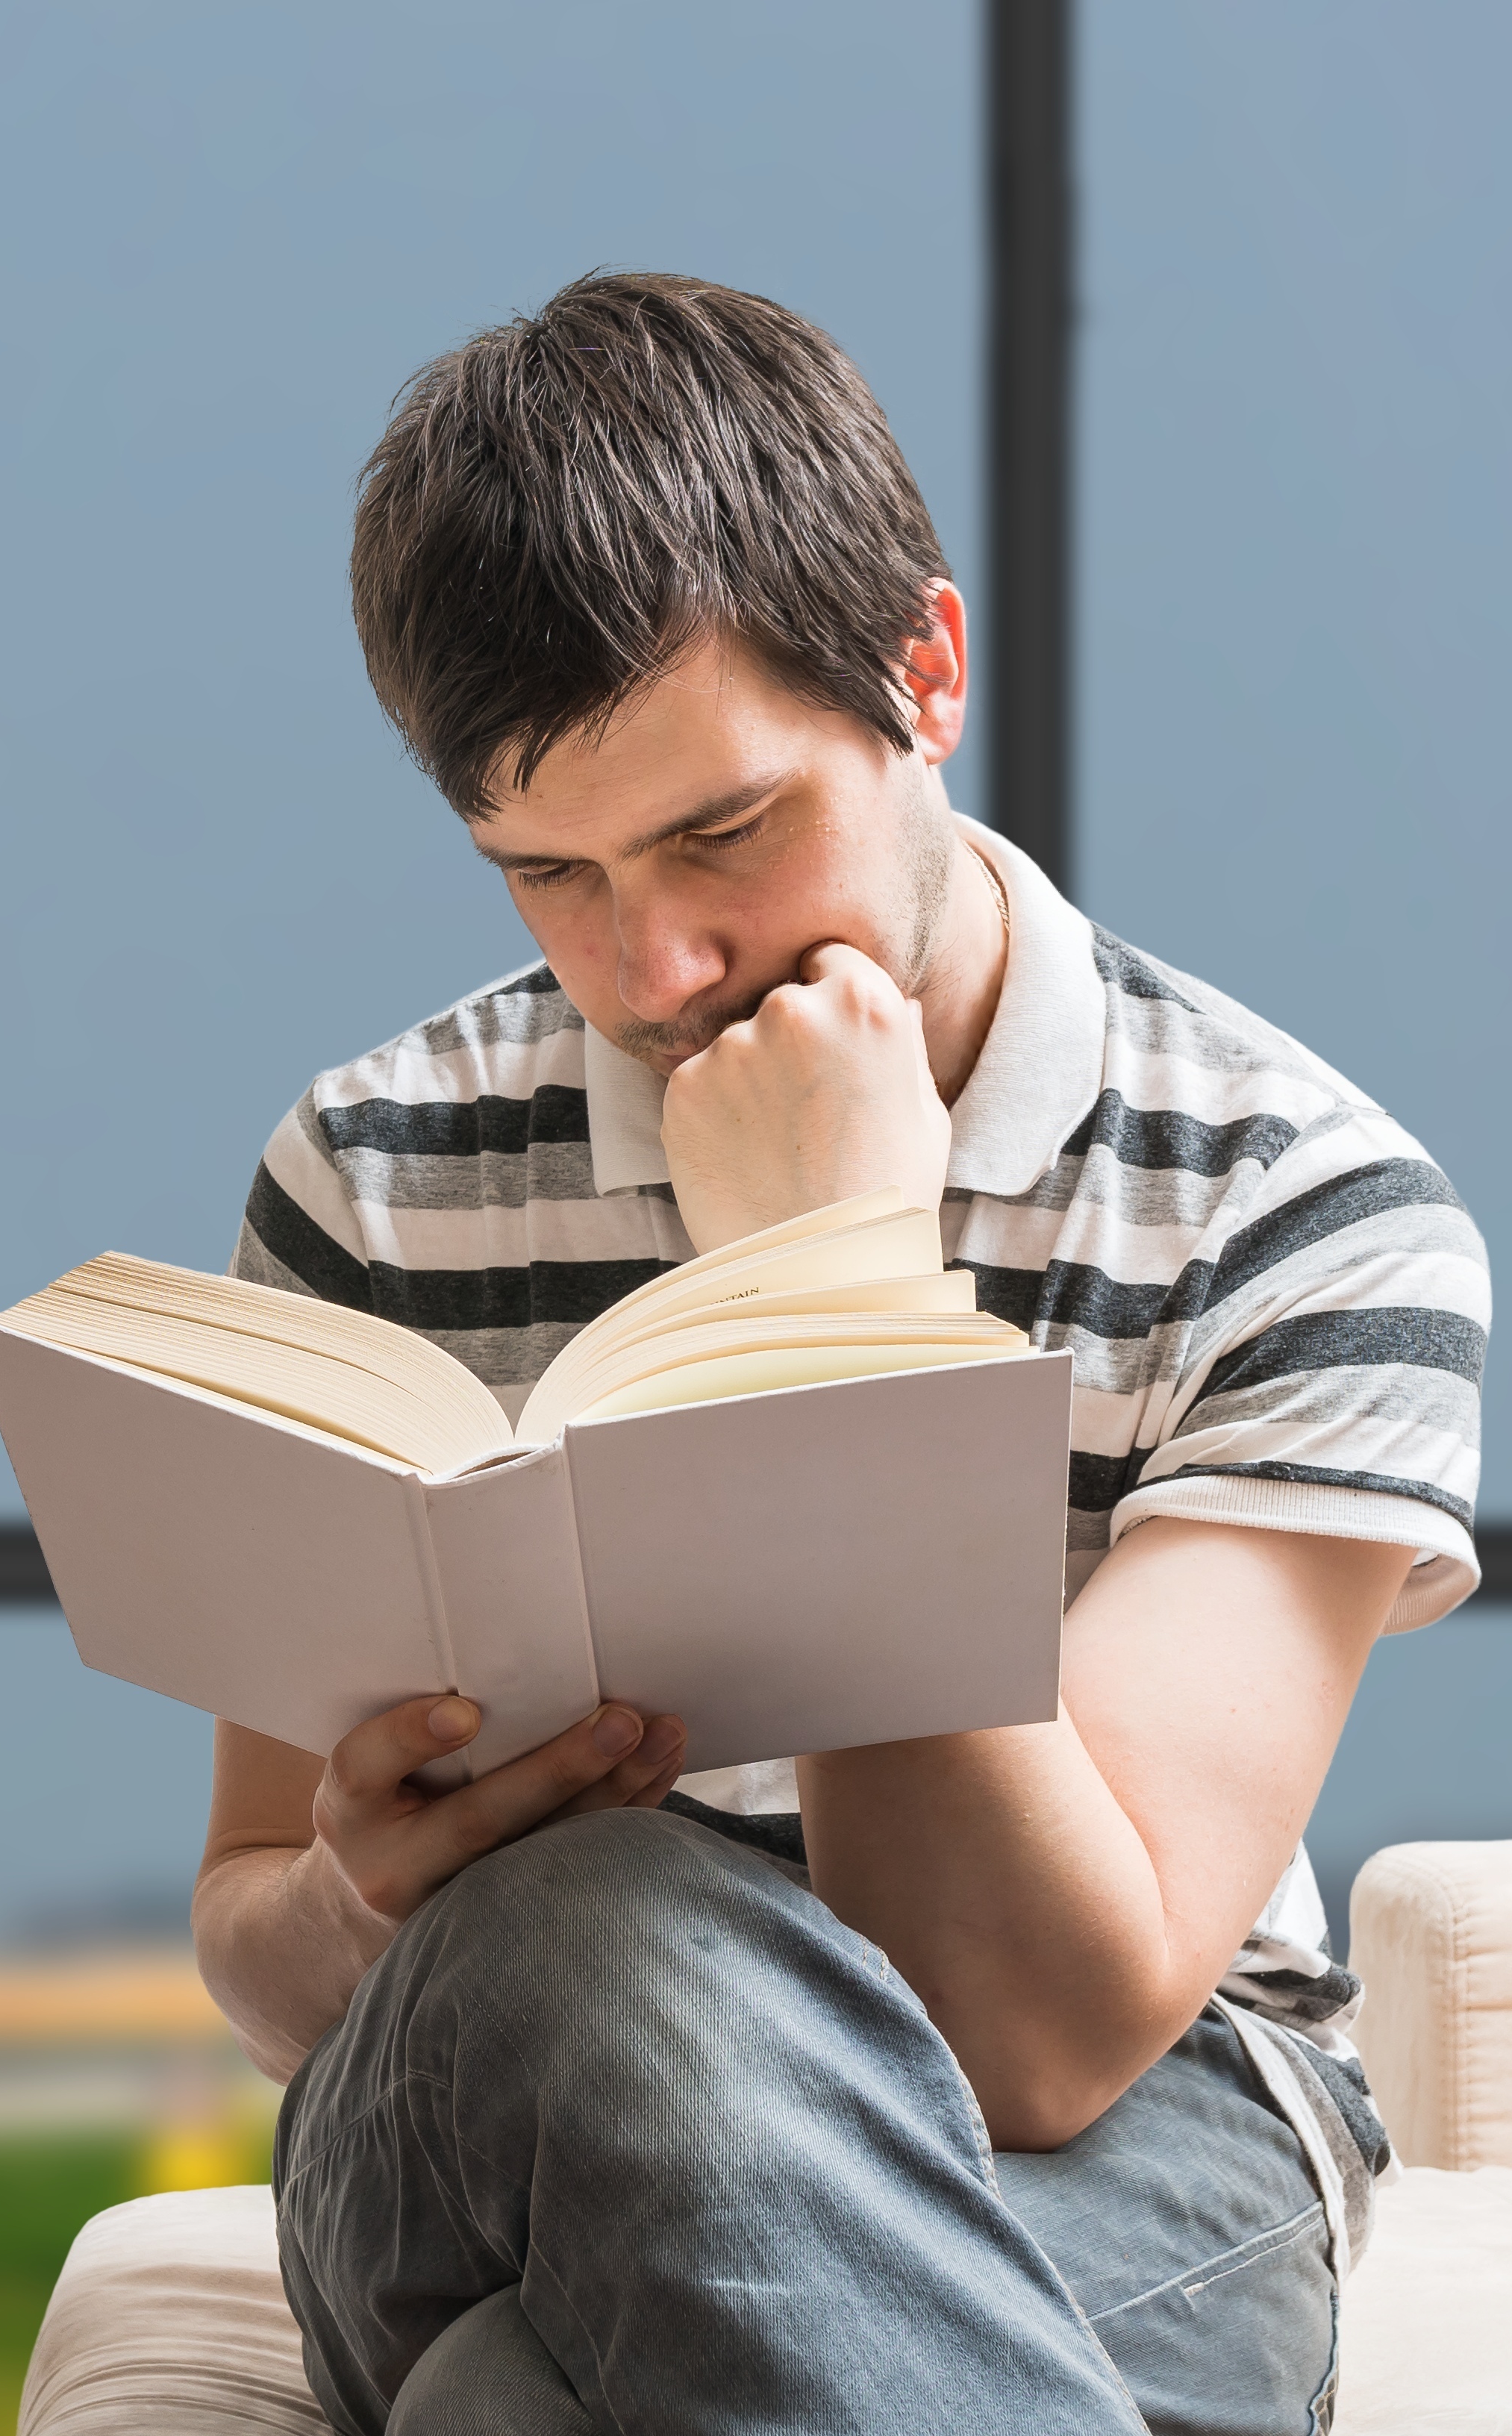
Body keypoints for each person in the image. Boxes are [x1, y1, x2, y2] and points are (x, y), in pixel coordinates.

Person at [187, 273, 1486, 2435]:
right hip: (475, 2095)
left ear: (929, 673)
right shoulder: (377, 1178)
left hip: (1129, 2124)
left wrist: (843, 1304)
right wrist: (354, 1900)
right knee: (601, 1920)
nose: (654, 965)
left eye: (721, 833)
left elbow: (1032, 2032)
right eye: (548, 875)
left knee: (521, 2401)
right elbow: (254, 1948)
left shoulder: (1303, 1207)